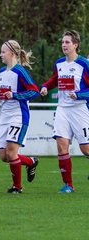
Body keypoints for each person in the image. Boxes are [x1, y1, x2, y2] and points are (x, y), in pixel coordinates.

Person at [0, 40, 40, 194]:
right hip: (4, 116)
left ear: (12, 53)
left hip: (18, 115)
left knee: (11, 152)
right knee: (4, 156)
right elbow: (5, 94)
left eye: (3, 52)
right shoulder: (1, 72)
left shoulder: (20, 71)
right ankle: (31, 162)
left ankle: (17, 187)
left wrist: (15, 95)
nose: (0, 55)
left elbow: (34, 91)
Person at [40, 30, 89, 193]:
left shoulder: (84, 64)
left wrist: (79, 94)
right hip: (62, 109)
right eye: (62, 42)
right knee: (61, 146)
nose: (64, 45)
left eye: (67, 42)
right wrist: (46, 86)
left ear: (75, 45)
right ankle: (68, 185)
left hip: (79, 109)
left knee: (86, 149)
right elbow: (55, 79)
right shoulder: (59, 64)